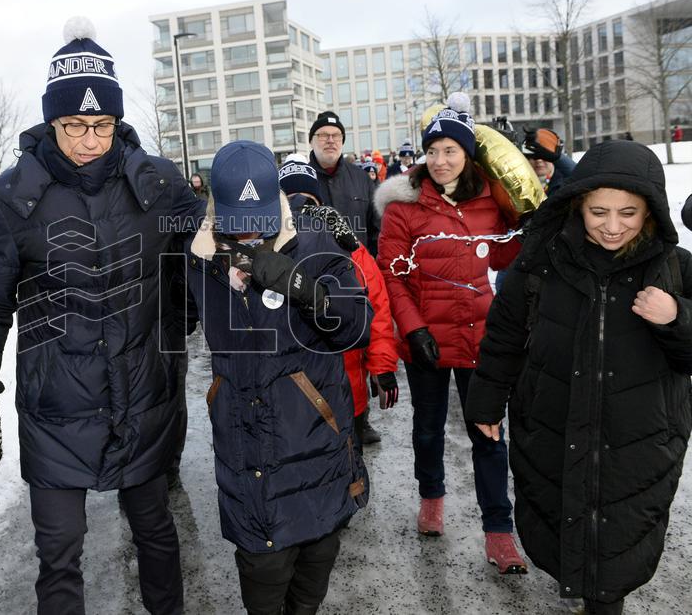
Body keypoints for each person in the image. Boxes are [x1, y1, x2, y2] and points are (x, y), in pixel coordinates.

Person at [0, 17, 201, 615]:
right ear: (51, 122)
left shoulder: (158, 183)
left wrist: (187, 318)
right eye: (74, 126)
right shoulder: (15, 196)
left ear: (117, 122)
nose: (89, 140)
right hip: (55, 403)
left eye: (102, 125)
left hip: (143, 393)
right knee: (59, 550)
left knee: (155, 532)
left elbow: (200, 258)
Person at [466, 140, 692, 614]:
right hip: (554, 428)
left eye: (628, 213)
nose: (613, 226)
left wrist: (676, 317)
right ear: (578, 206)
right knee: (563, 530)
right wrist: (487, 399)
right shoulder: (542, 263)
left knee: (615, 552)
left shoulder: (675, 268)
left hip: (639, 443)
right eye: (599, 212)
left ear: (649, 210)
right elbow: (504, 334)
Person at [185, 140, 371, 615]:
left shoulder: (315, 238)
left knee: (311, 584)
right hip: (248, 456)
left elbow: (355, 326)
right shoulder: (197, 256)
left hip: (317, 446)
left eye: (260, 219)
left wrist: (302, 287)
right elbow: (171, 320)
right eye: (237, 222)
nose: (249, 233)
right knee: (264, 586)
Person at [374, 92, 527, 574]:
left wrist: (528, 230)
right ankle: (431, 497)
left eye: (450, 151)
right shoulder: (404, 206)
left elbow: (502, 257)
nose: (439, 161)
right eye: (433, 151)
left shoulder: (489, 203)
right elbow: (391, 275)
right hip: (427, 342)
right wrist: (413, 328)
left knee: (488, 433)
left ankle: (499, 532)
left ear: (468, 154)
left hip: (479, 338)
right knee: (427, 428)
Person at [277, 156, 398, 450]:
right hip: (287, 392)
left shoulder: (348, 247)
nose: (299, 207)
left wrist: (382, 367)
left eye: (306, 199)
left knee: (348, 468)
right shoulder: (268, 249)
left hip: (347, 387)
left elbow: (377, 310)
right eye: (290, 199)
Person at [308, 111, 380, 255]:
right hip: (316, 272)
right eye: (323, 135)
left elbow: (377, 229)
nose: (330, 140)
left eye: (336, 135)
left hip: (359, 269)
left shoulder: (361, 178)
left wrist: (371, 263)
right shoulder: (302, 181)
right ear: (311, 141)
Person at [521, 127, 575, 195]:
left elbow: (581, 176)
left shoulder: (566, 183)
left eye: (544, 156)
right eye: (534, 156)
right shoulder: (520, 184)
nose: (539, 160)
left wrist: (558, 157)